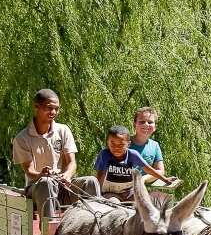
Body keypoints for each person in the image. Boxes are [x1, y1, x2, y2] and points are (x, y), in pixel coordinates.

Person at [12, 89, 101, 222]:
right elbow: (29, 171)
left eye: (56, 109)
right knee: (46, 182)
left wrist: (67, 176)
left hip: (62, 185)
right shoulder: (22, 138)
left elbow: (72, 163)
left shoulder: (63, 130)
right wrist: (41, 174)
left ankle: (94, 225)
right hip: (37, 188)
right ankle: (49, 232)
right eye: (49, 108)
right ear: (36, 107)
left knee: (91, 181)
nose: (53, 112)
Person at [94, 125, 176, 201]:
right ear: (107, 142)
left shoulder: (133, 155)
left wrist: (165, 179)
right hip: (110, 192)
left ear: (128, 144)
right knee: (114, 203)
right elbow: (100, 175)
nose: (116, 148)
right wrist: (97, 195)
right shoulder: (104, 155)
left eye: (121, 145)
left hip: (129, 192)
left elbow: (149, 170)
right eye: (112, 144)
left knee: (145, 202)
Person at [130, 107, 164, 184]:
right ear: (134, 124)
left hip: (143, 188)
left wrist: (143, 179)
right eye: (142, 122)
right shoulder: (124, 143)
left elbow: (160, 171)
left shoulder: (155, 146)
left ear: (155, 127)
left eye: (150, 122)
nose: (146, 124)